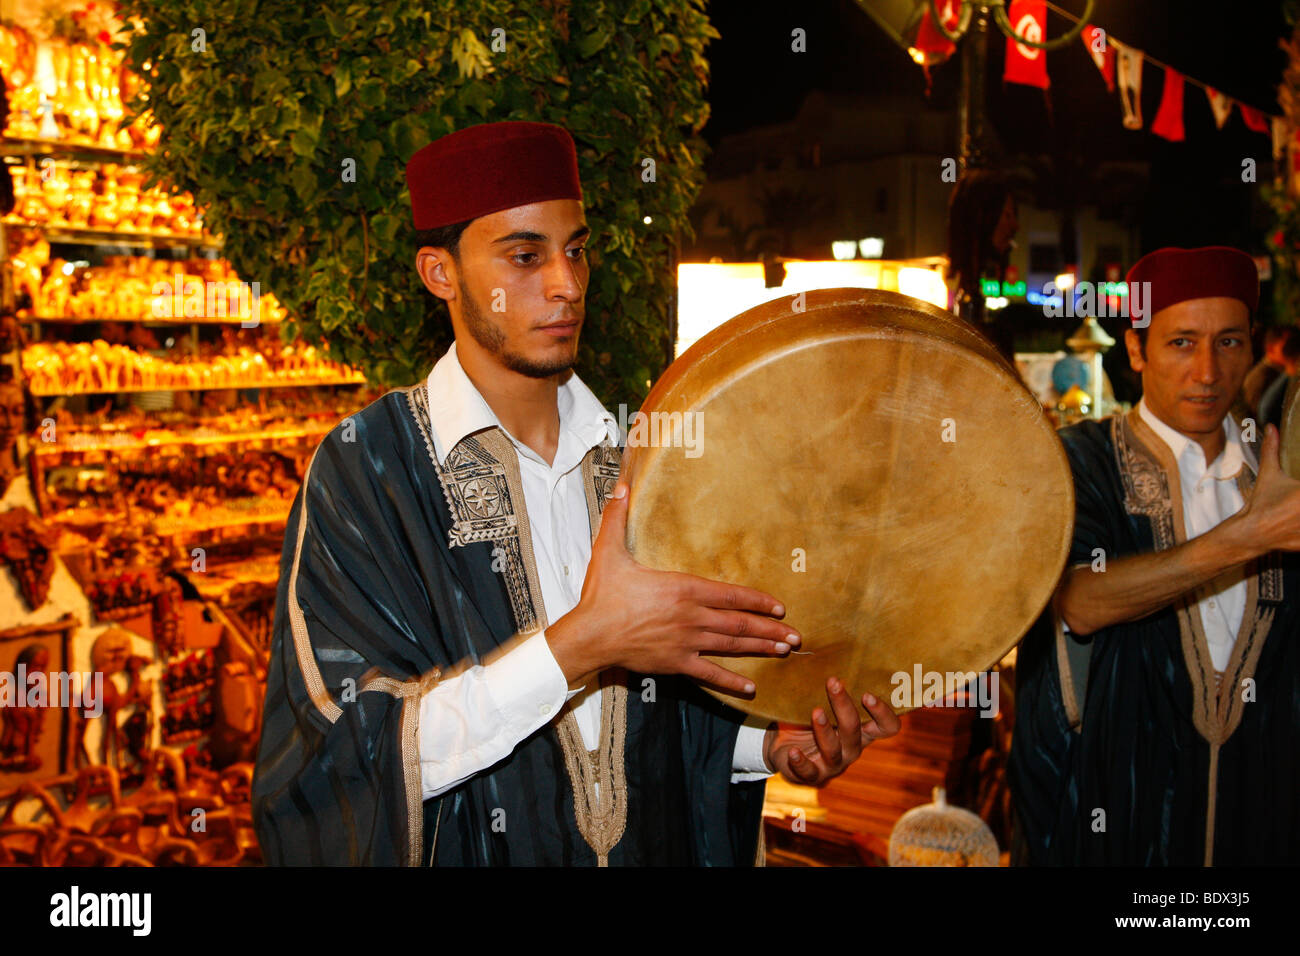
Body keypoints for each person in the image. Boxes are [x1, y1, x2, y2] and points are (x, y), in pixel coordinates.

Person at [251, 121, 900, 866]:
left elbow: (671, 727)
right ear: (440, 273)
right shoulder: (370, 470)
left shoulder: (648, 454)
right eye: (525, 256)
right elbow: (337, 753)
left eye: (577, 250)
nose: (566, 284)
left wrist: (771, 747)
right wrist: (579, 645)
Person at [1008, 246, 1300, 866]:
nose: (1207, 372)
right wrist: (1247, 537)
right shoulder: (1077, 462)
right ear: (1136, 350)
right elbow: (1081, 600)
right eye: (1181, 343)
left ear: (1251, 348)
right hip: (1119, 815)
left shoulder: (1277, 474)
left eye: (1228, 342)